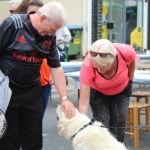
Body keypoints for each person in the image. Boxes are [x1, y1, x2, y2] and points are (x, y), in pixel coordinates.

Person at [0, 1, 75, 150]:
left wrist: (65, 98)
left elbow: (56, 66)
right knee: (9, 141)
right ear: (42, 18)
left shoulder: (49, 37)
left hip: (32, 91)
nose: (54, 34)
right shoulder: (13, 25)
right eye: (53, 29)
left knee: (33, 140)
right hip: (8, 91)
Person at [79, 39, 136, 143]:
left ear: (113, 59)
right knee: (102, 124)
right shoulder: (87, 64)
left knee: (118, 122)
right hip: (98, 91)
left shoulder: (125, 51)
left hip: (121, 89)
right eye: (97, 68)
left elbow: (132, 59)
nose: (99, 70)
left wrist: (131, 75)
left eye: (103, 67)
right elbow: (83, 103)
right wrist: (81, 124)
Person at [14, 0, 53, 120]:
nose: (38, 17)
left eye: (41, 14)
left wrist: (52, 72)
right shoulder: (16, 29)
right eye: (33, 13)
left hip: (44, 82)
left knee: (36, 122)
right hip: (23, 84)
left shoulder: (46, 32)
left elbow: (52, 56)